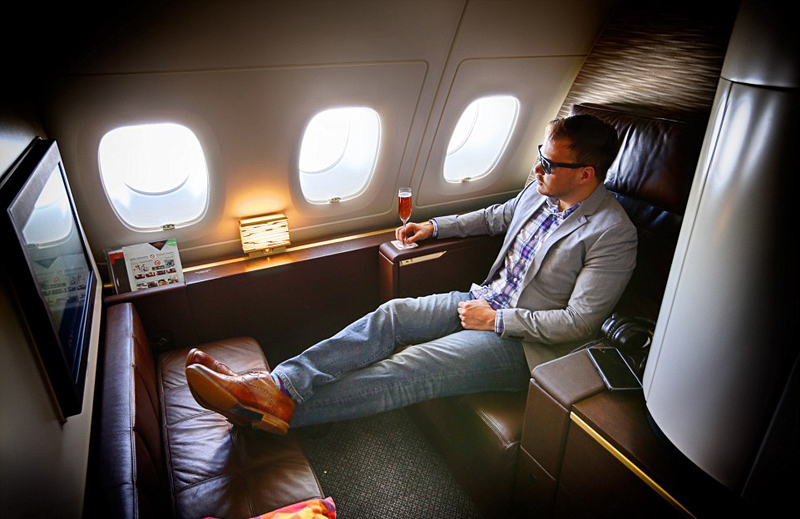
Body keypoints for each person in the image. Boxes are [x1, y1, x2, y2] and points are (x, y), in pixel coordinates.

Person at [185, 113, 638, 435]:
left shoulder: (612, 233)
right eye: (541, 155)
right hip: (482, 300)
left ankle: (272, 410)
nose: (538, 167)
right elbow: (493, 217)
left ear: (586, 174)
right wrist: (434, 227)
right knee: (393, 315)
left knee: (411, 365)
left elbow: (579, 323)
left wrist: (497, 320)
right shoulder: (539, 191)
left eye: (550, 163)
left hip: (523, 345)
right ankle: (277, 385)